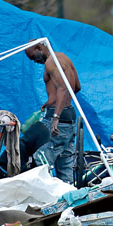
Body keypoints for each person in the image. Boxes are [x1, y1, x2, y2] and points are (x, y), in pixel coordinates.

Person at [25, 41, 81, 184]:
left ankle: (45, 196)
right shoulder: (64, 58)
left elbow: (62, 87)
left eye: (33, 57)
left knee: (41, 161)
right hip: (70, 117)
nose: (35, 61)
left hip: (57, 119)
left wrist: (56, 116)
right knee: (65, 164)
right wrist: (53, 101)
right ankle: (67, 198)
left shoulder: (50, 62)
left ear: (39, 48)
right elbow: (76, 87)